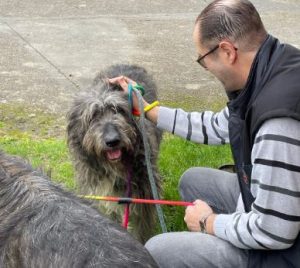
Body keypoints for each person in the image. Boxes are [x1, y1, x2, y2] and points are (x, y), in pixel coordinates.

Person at [108, 0, 300, 267]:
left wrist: (207, 222)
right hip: (275, 207)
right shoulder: (275, 67)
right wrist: (150, 111)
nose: (206, 67)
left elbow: (273, 232)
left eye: (203, 59)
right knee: (193, 181)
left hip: (283, 251)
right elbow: (217, 126)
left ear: (226, 51)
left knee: (158, 249)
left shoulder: (277, 123)